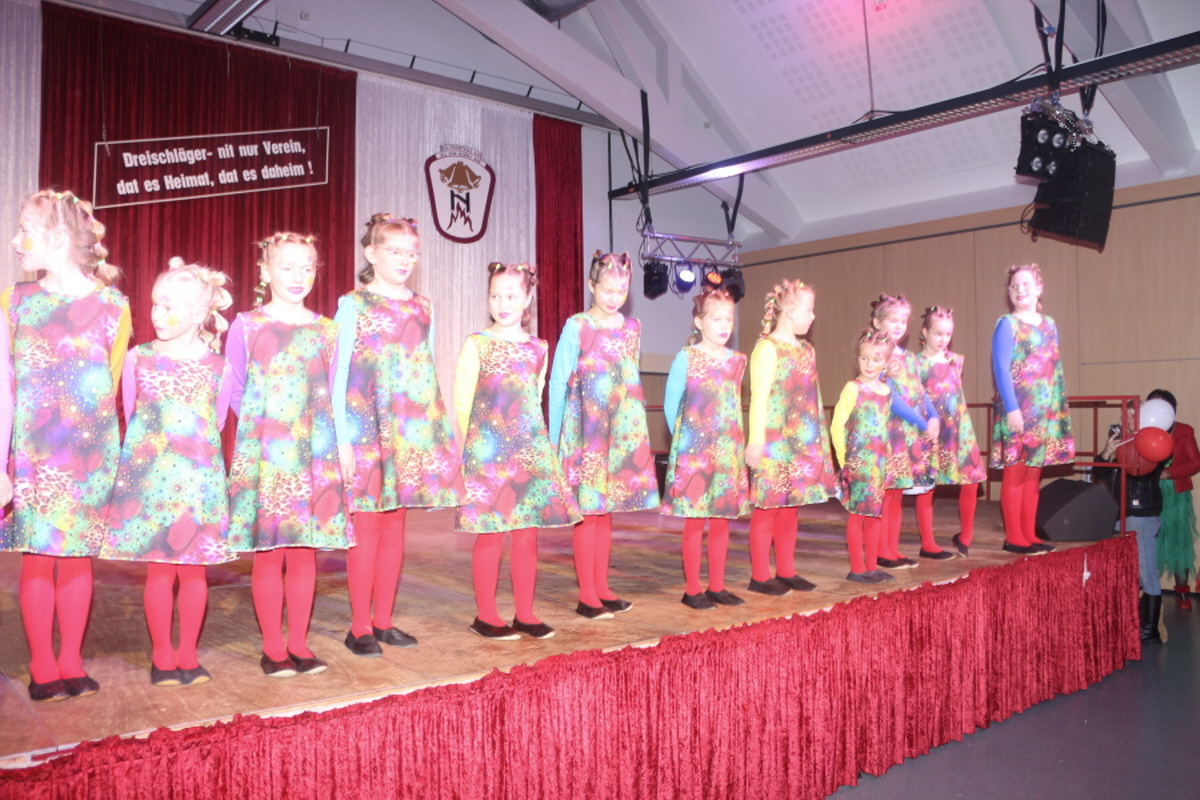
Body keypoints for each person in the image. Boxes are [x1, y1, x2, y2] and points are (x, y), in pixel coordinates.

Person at [2, 189, 130, 702]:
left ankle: (71, 661)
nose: (15, 241)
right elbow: (3, 389)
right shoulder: (14, 302)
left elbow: (112, 386)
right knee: (38, 557)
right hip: (34, 458)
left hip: (87, 459)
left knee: (77, 558)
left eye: (24, 230)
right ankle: (42, 665)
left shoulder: (114, 306)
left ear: (56, 237)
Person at [333, 215, 464, 656]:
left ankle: (384, 620)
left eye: (412, 253)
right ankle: (358, 626)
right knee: (367, 527)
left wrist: (432, 434)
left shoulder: (423, 306)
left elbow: (424, 369)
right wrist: (342, 438)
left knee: (395, 527)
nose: (405, 260)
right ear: (371, 253)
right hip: (365, 429)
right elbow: (338, 374)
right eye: (394, 251)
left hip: (408, 433)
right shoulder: (353, 304)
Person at [102, 258, 234, 686]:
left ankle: (188, 654)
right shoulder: (138, 358)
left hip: (197, 486)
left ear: (199, 314)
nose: (158, 314)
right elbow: (131, 413)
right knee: (160, 570)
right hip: (151, 486)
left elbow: (216, 422)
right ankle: (162, 654)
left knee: (194, 571)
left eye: (170, 306)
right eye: (156, 304)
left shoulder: (219, 367)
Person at [227, 233, 349, 678]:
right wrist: (264, 431)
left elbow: (332, 394)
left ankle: (299, 642)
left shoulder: (327, 330)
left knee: (303, 552)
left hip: (313, 455)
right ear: (265, 271)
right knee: (270, 552)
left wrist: (337, 446)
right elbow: (235, 388)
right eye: (286, 266)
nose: (298, 276)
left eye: (306, 267)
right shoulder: (246, 325)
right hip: (267, 456)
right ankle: (273, 647)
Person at [455, 262, 581, 639]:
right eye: (495, 295)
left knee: (527, 534)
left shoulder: (538, 348)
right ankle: (486, 615)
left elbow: (534, 398)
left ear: (528, 299)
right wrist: (470, 453)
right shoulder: (477, 343)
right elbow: (463, 401)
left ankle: (525, 613)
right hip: (487, 454)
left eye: (511, 296)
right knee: (491, 533)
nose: (502, 303)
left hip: (527, 454)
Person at [548, 251, 659, 620]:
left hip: (620, 433)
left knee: (606, 511)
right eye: (607, 290)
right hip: (587, 434)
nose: (614, 297)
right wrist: (554, 437)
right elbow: (558, 383)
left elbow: (629, 377)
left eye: (621, 290)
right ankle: (586, 595)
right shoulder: (577, 326)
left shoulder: (633, 328)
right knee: (588, 512)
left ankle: (602, 586)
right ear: (591, 286)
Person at [744, 280, 836, 595]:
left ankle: (786, 570)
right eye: (808, 310)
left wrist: (817, 442)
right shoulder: (767, 348)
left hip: (801, 443)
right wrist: (755, 441)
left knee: (791, 506)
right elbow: (759, 397)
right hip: (773, 444)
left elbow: (812, 397)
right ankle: (759, 575)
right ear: (791, 311)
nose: (812, 317)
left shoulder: (807, 349)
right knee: (767, 507)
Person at [662, 285, 750, 610]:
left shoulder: (738, 361)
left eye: (729, 319)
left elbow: (733, 407)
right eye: (716, 319)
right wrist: (685, 445)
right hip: (695, 455)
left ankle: (717, 586)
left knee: (722, 520)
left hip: (727, 453)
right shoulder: (687, 358)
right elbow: (671, 405)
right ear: (699, 322)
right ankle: (693, 589)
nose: (724, 325)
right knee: (695, 521)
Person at [989, 264, 1074, 555]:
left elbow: (1052, 369)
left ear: (1039, 288)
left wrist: (1054, 411)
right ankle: (1014, 537)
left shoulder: (1049, 324)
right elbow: (1001, 369)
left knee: (1033, 474)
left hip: (1043, 411)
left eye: (1025, 284)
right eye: (1014, 285)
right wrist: (1012, 409)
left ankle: (1029, 534)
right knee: (1015, 472)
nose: (1019, 290)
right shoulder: (1007, 324)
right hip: (1017, 409)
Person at [869, 294, 946, 565]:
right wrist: (922, 422)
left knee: (898, 493)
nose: (899, 325)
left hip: (907, 434)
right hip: (888, 432)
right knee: (887, 493)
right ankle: (880, 550)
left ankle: (892, 548)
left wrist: (933, 416)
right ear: (877, 322)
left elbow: (920, 392)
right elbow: (891, 397)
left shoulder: (909, 357)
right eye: (893, 320)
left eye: (903, 321)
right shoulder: (876, 354)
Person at [916, 306, 986, 557]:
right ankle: (928, 543)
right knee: (927, 485)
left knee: (972, 478)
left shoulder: (955, 360)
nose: (943, 339)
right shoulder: (916, 363)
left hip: (959, 429)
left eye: (948, 334)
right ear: (925, 332)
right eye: (938, 333)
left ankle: (965, 536)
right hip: (932, 430)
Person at [831, 330, 897, 583]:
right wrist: (845, 460)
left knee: (874, 515)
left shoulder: (886, 391)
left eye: (876, 359)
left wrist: (887, 460)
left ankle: (871, 565)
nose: (869, 364)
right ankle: (857, 569)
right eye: (864, 358)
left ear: (886, 362)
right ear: (857, 358)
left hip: (878, 465)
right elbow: (837, 426)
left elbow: (884, 428)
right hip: (858, 464)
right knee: (857, 515)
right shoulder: (853, 389)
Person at [1097, 416, 1166, 642]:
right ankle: (1133, 623)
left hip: (1141, 514)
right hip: (1118, 512)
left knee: (1146, 572)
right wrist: (1108, 452)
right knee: (1126, 572)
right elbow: (1099, 473)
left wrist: (1130, 448)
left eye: (1133, 415)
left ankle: (1150, 629)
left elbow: (1145, 471)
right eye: (1124, 415)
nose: (1128, 420)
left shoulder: (1153, 440)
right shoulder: (1121, 441)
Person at [1146, 389, 1200, 608]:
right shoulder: (1143, 431)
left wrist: (1170, 472)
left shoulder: (1184, 431)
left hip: (1176, 495)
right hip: (1149, 492)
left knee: (1179, 543)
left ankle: (1182, 591)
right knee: (1149, 540)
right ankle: (1148, 591)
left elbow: (1195, 463)